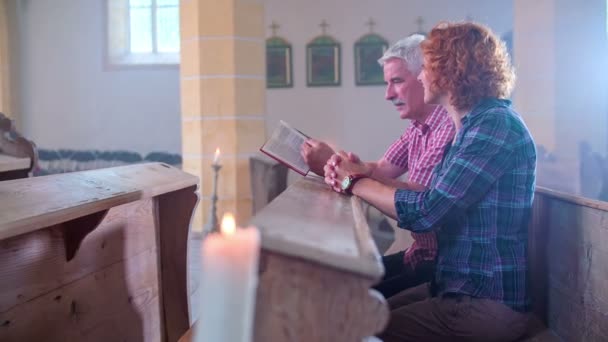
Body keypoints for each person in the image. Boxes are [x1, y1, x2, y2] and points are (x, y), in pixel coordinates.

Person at [325, 21, 536, 341]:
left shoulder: (494, 124)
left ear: (451, 69)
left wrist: (353, 183)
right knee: (354, 314)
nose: (421, 75)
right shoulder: (474, 124)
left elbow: (427, 212)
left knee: (352, 331)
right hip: (455, 292)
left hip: (486, 304)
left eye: (425, 67)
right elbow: (427, 193)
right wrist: (362, 174)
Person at [301, 34, 455, 299]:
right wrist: (336, 165)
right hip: (419, 254)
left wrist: (340, 169)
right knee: (336, 286)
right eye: (387, 84)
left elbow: (420, 197)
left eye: (396, 81)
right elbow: (380, 169)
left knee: (349, 302)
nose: (388, 95)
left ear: (425, 77)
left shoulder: (448, 124)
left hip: (440, 265)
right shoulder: (417, 127)